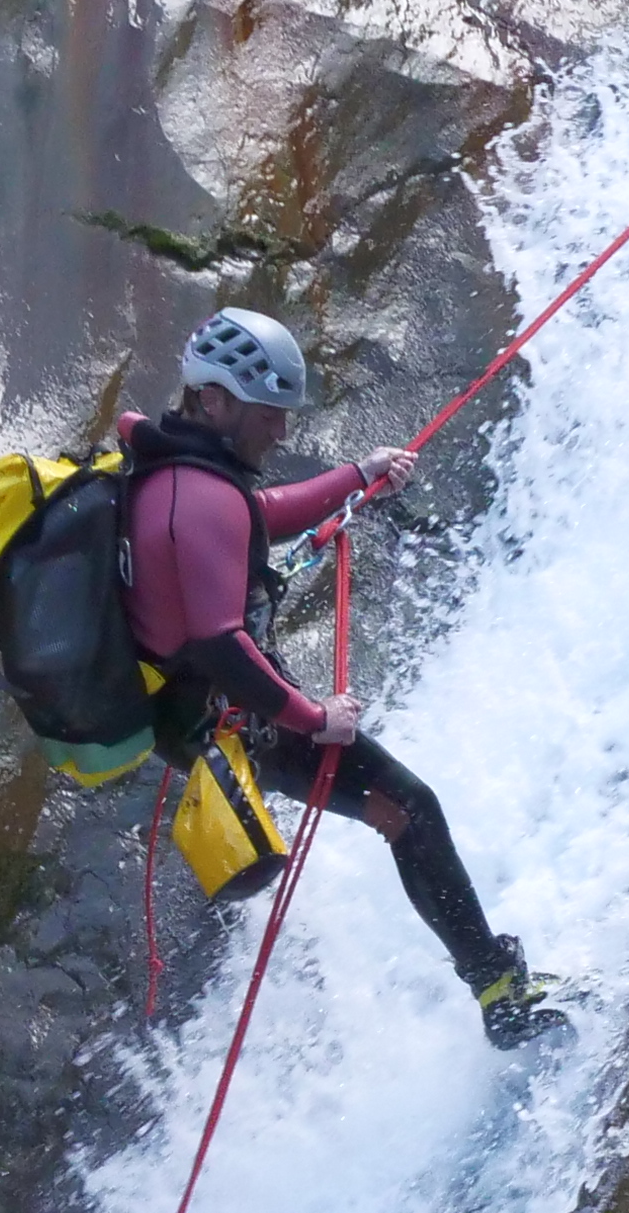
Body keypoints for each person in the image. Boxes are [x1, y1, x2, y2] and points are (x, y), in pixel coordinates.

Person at [122, 308, 563, 1050]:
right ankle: (499, 991)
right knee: (409, 809)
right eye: (269, 415)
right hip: (234, 715)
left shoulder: (180, 474)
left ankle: (494, 981)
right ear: (216, 401)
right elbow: (220, 644)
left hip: (215, 704)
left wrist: (358, 479)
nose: (282, 433)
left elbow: (257, 516)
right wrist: (312, 717)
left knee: (404, 811)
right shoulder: (195, 501)